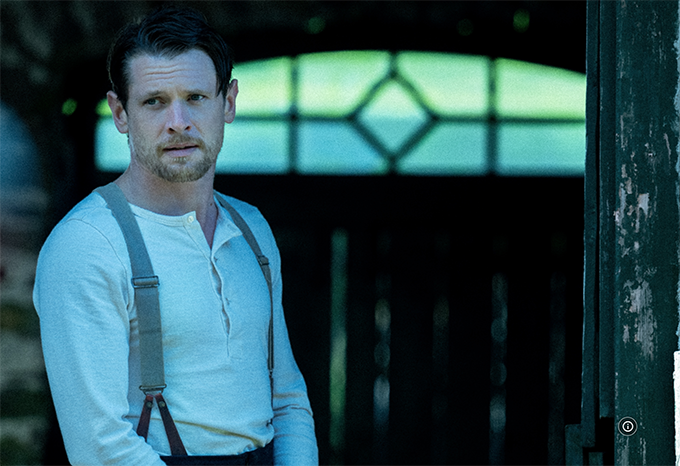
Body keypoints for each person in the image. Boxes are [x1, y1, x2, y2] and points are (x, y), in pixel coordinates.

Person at [33, 6, 318, 466]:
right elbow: (100, 446)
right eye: (155, 102)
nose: (179, 121)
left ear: (228, 102)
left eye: (196, 97)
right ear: (120, 113)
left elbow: (287, 399)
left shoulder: (252, 230)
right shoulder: (88, 244)